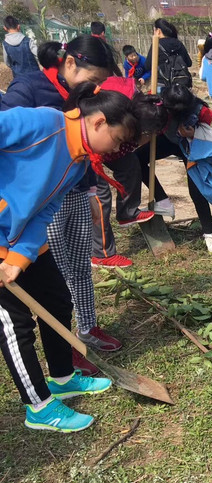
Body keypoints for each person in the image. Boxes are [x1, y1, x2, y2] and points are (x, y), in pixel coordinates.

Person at [0, 83, 139, 432]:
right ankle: (39, 407)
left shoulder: (78, 163)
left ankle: (62, 377)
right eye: (119, 141)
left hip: (20, 241)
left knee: (58, 301)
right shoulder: (43, 124)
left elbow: (45, 212)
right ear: (98, 122)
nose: (117, 151)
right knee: (15, 326)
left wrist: (20, 257)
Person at [91, 78, 169, 268]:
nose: (146, 138)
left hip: (112, 141)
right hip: (90, 148)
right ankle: (101, 254)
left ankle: (127, 212)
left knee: (130, 165)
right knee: (100, 198)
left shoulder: (147, 108)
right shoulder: (115, 109)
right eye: (146, 134)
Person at [138, 84, 212, 253]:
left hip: (191, 145)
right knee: (136, 159)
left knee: (196, 189)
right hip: (168, 141)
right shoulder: (160, 104)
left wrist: (191, 134)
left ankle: (209, 234)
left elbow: (208, 135)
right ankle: (163, 201)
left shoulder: (201, 111)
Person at [142, 18, 192, 92]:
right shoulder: (178, 43)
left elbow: (147, 66)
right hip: (180, 85)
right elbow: (188, 63)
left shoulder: (156, 44)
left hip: (162, 85)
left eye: (154, 30)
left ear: (158, 31)